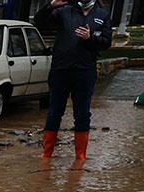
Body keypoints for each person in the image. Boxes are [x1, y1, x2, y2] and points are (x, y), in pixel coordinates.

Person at [34, 0, 113, 170]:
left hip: (85, 71)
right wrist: (50, 5)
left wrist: (89, 38)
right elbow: (40, 22)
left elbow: (106, 42)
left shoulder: (102, 15)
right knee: (54, 112)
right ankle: (46, 154)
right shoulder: (64, 12)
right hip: (60, 70)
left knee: (82, 114)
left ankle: (80, 157)